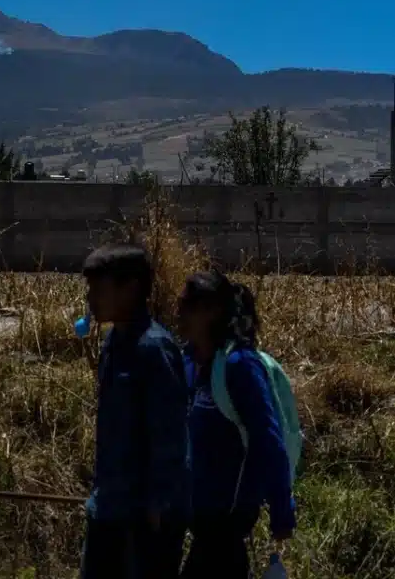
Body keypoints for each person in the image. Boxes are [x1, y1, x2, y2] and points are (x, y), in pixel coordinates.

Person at [177, 270, 297, 579]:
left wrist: (281, 509)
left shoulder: (239, 366)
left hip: (226, 521)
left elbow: (268, 438)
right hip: (200, 520)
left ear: (211, 312)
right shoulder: (191, 363)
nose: (179, 313)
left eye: (187, 306)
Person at [80, 244, 190, 579]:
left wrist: (159, 502)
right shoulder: (113, 344)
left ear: (130, 289)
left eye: (99, 289)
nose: (91, 299)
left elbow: (170, 432)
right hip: (108, 505)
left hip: (143, 516)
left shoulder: (154, 349)